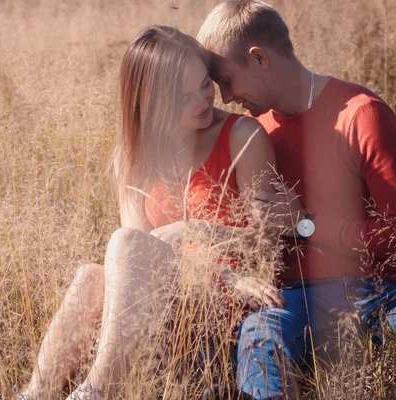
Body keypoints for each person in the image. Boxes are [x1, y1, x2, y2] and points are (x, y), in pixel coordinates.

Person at [16, 25, 285, 400]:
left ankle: (97, 391)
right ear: (149, 102)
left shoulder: (243, 136)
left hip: (230, 301)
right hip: (166, 309)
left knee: (124, 243)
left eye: (205, 84)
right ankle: (34, 395)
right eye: (183, 96)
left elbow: (270, 240)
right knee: (90, 278)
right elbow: (140, 262)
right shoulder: (134, 157)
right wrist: (200, 251)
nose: (203, 102)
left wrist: (196, 233)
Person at [197, 1, 396, 398]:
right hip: (293, 301)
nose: (226, 97)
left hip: (379, 291)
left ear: (258, 59)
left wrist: (306, 223)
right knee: (259, 344)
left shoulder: (361, 115)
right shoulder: (251, 133)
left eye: (227, 81)